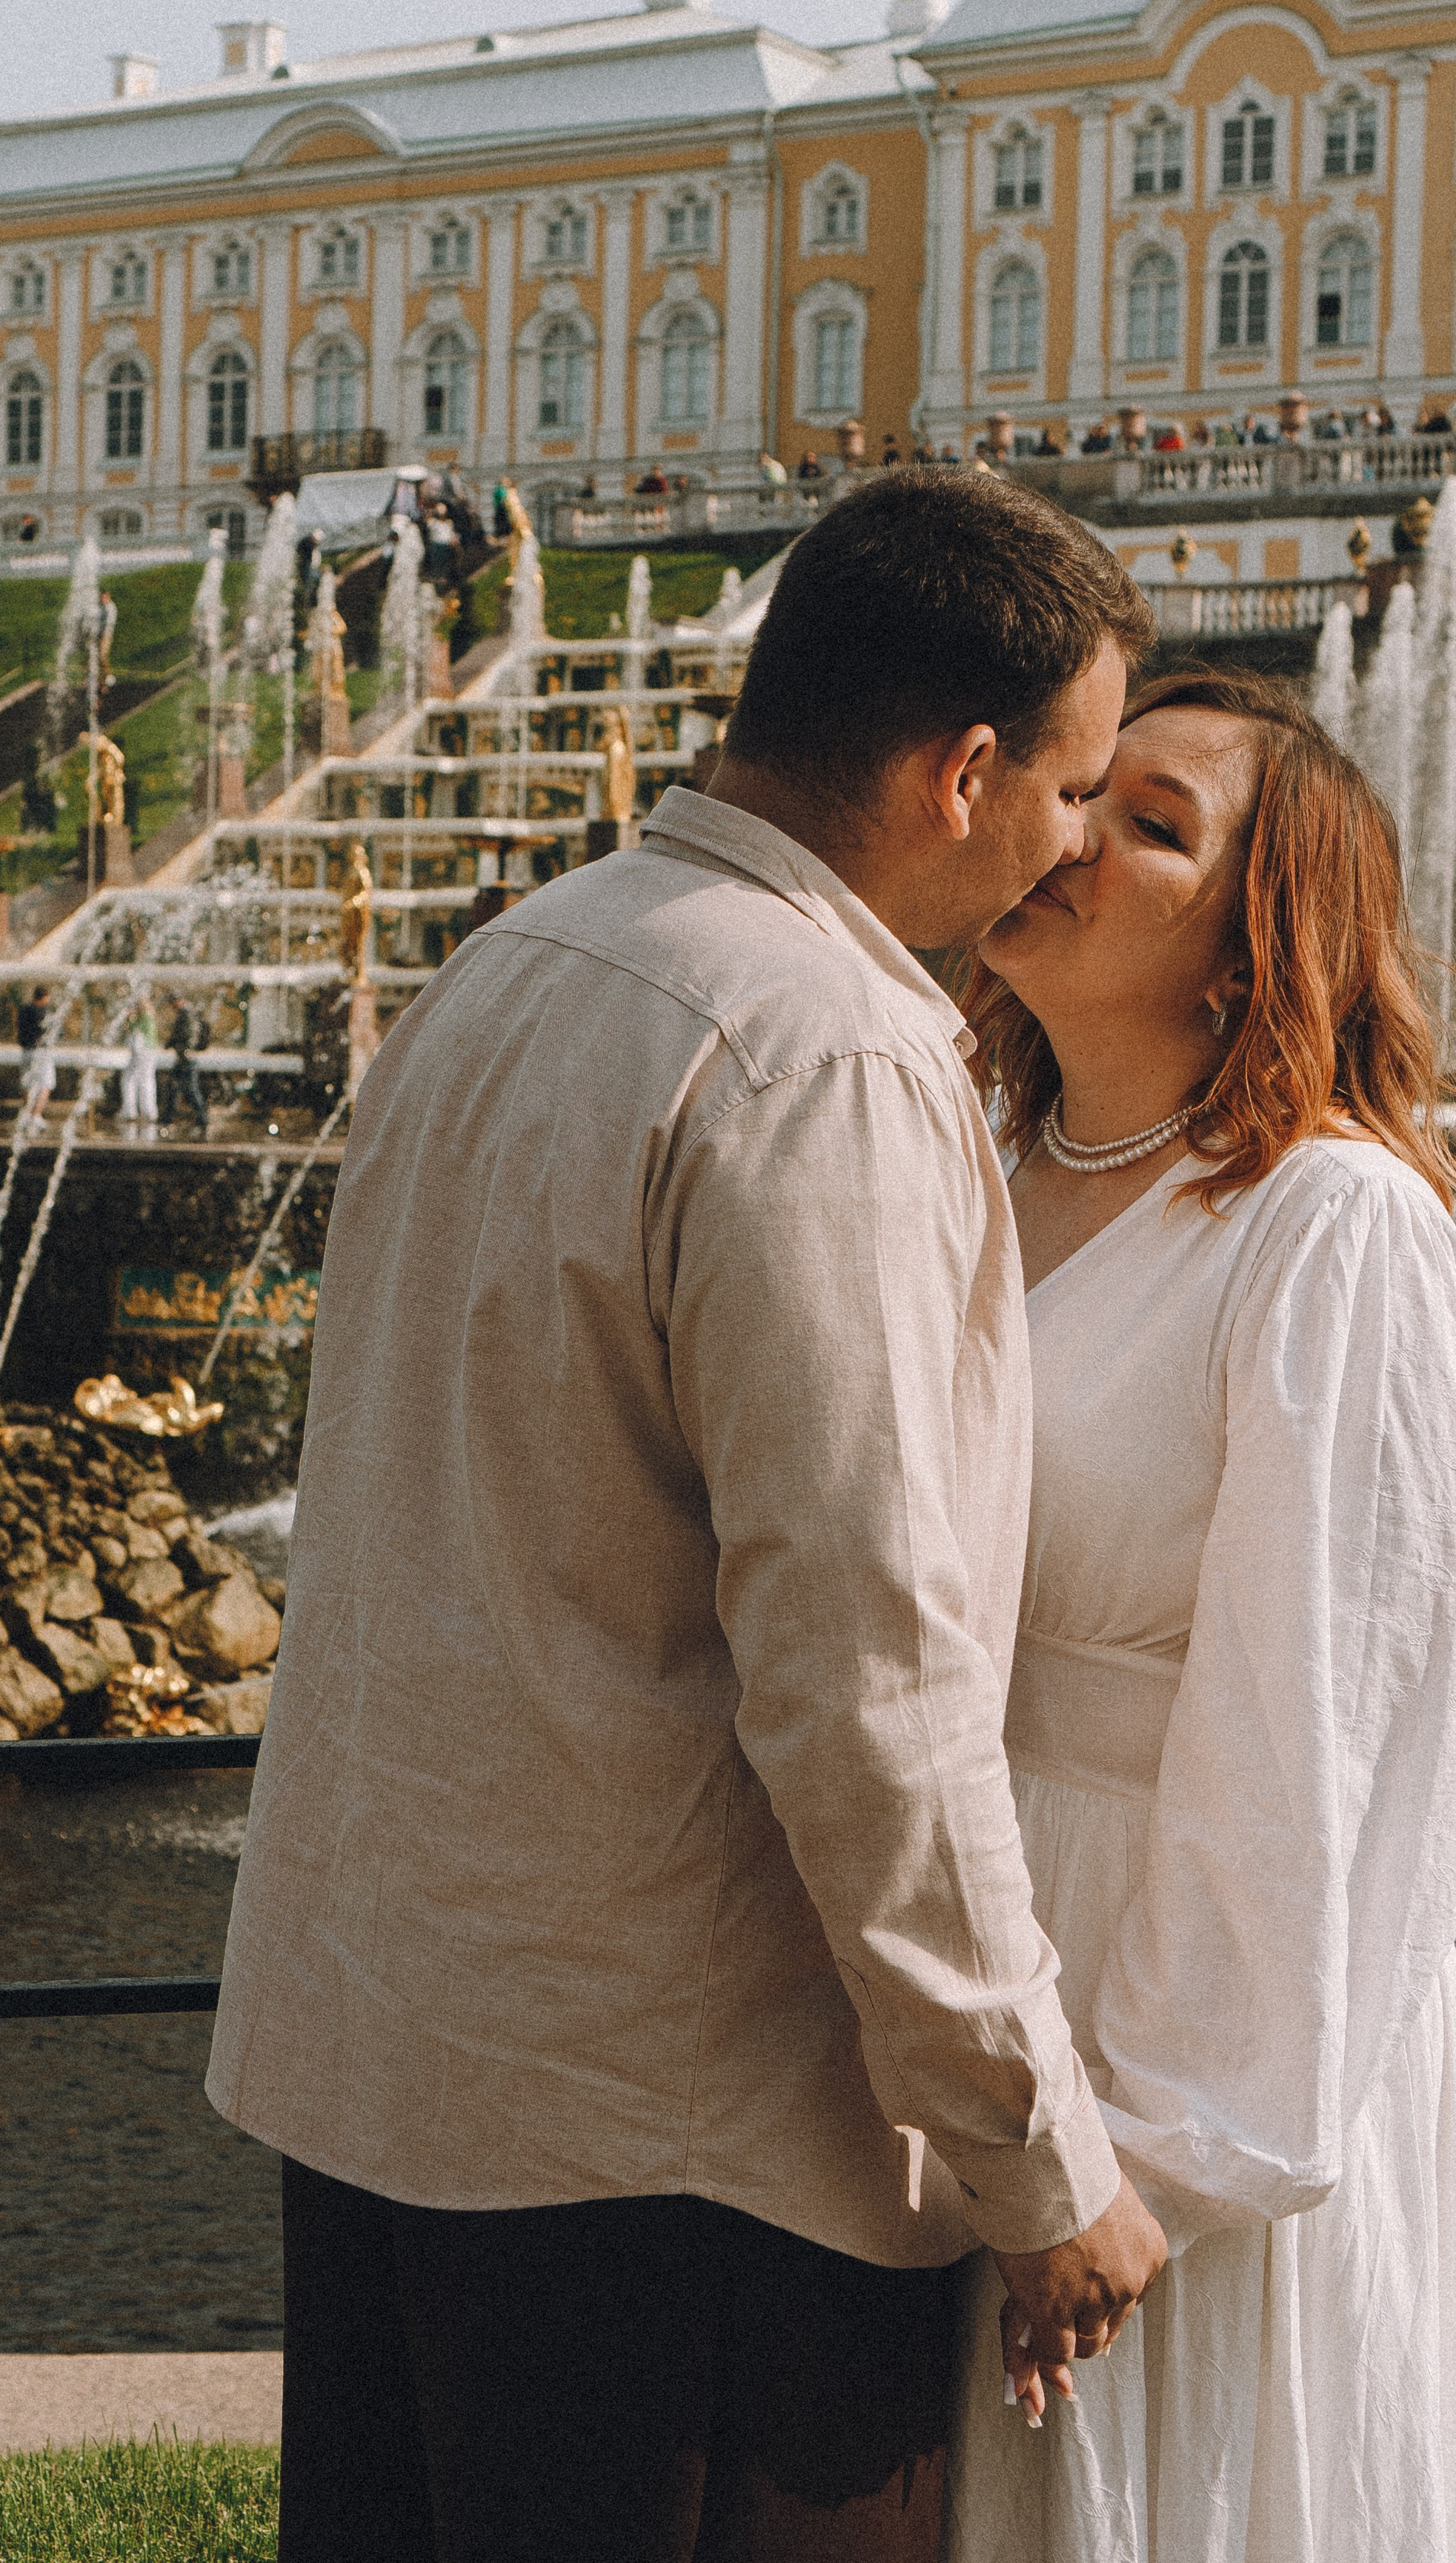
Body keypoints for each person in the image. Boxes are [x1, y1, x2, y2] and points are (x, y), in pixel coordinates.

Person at [207, 469, 1166, 2563]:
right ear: (964, 769)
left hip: (399, 2072)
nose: (1081, 839)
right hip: (676, 2155)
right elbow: (868, 1678)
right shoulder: (823, 1053)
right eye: (1079, 787)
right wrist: (1037, 2158)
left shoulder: (511, 961)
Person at [943, 668, 1456, 2562]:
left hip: (1164, 2002)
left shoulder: (1330, 1227)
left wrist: (1143, 2158)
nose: (1065, 831)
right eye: (1079, 788)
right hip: (970, 1967)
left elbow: (1309, 1728)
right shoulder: (965, 1169)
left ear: (1256, 943)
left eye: (1147, 823)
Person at [162, 997, 210, 1134]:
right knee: (174, 1087)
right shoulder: (186, 1013)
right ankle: (167, 1118)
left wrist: (176, 1045)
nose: (172, 1006)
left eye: (173, 1003)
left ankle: (202, 1118)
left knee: (190, 1090)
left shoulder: (187, 1013)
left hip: (186, 1058)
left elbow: (186, 1035)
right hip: (184, 1057)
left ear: (179, 1001)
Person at [17, 983, 56, 1110]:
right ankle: (36, 1114)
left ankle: (28, 1112)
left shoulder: (24, 1010)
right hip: (41, 1053)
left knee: (27, 1083)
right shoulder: (44, 1013)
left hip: (26, 1051)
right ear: (44, 997)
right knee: (46, 1084)